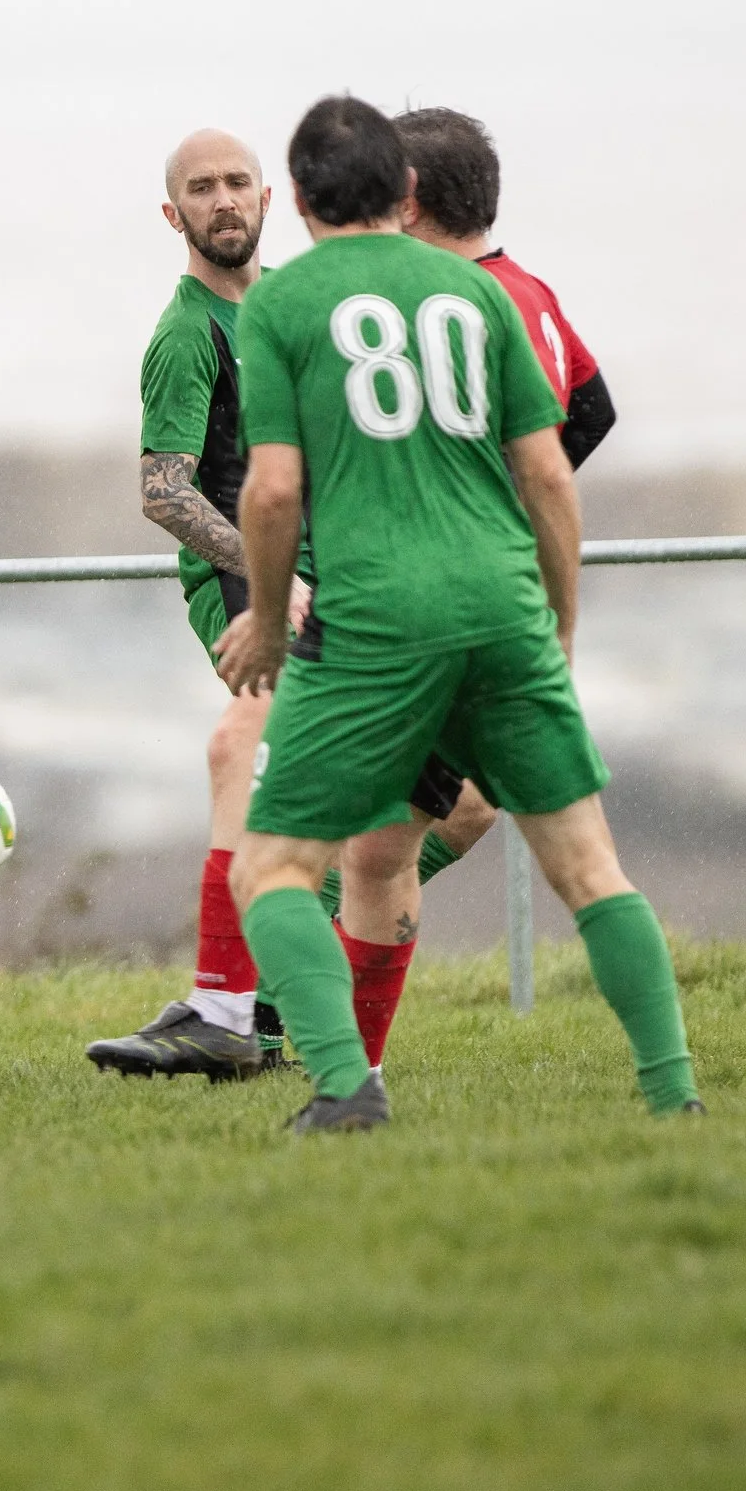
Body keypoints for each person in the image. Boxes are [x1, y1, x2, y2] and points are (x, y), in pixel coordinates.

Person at [215, 97, 701, 1133]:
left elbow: (267, 493)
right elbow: (549, 477)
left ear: (294, 200)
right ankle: (673, 1095)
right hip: (502, 607)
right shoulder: (479, 296)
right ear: (403, 193)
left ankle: (348, 1090)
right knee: (585, 864)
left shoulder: (281, 306)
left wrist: (263, 618)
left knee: (273, 865)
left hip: (375, 619)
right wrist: (555, 627)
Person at [85, 129, 491, 1084]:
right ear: (171, 213)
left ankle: (273, 971)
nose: (222, 200)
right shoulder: (187, 335)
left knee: (469, 802)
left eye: (237, 183)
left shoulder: (298, 307)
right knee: (251, 745)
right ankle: (226, 1008)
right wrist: (273, 586)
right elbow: (164, 491)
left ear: (270, 198)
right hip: (250, 583)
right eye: (200, 188)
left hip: (347, 572)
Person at [394, 108, 616, 465]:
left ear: (407, 203)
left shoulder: (456, 304)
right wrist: (532, 501)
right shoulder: (531, 288)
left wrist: (504, 504)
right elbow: (592, 413)